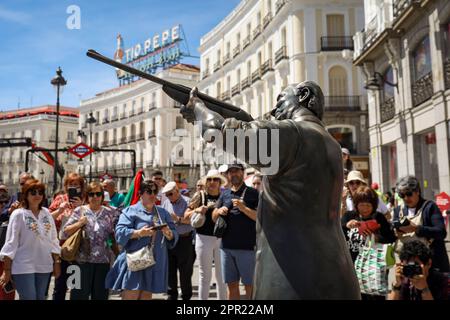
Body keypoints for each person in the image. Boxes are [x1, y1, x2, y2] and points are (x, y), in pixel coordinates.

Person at [181, 82, 360, 299]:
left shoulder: (294, 133)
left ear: (303, 95)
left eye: (280, 100)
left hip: (293, 275)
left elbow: (219, 132)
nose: (275, 111)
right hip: (335, 269)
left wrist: (197, 107)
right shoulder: (329, 142)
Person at [105, 180, 178, 300]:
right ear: (140, 193)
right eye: (149, 191)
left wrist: (169, 234)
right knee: (132, 294)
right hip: (135, 260)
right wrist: (139, 233)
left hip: (154, 260)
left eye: (155, 191)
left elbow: (174, 234)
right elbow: (119, 233)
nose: (153, 195)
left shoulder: (162, 212)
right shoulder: (131, 211)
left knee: (146, 296)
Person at [0, 179, 61, 300]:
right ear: (25, 195)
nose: (37, 195)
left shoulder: (47, 213)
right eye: (33, 192)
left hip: (44, 265)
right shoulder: (18, 214)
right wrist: (6, 270)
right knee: (29, 297)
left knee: (40, 297)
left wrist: (57, 262)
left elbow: (54, 239)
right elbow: (11, 243)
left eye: (40, 192)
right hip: (23, 265)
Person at [212, 163, 259, 300]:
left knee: (249, 285)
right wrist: (218, 211)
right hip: (226, 248)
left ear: (243, 173)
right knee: (231, 285)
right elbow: (214, 216)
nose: (234, 174)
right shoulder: (225, 193)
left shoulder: (253, 193)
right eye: (231, 172)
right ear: (227, 175)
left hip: (247, 248)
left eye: (236, 171)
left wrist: (244, 209)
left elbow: (259, 218)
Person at [64, 182, 117, 300]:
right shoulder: (79, 210)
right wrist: (80, 223)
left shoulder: (110, 212)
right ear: (87, 196)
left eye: (98, 194)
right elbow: (65, 232)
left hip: (103, 262)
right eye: (92, 194)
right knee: (78, 296)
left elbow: (115, 234)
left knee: (101, 296)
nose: (95, 197)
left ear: (102, 196)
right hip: (81, 261)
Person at [184, 169, 227, 300]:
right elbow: (186, 216)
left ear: (220, 182)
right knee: (205, 276)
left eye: (215, 179)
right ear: (205, 182)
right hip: (203, 238)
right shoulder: (200, 195)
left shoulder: (225, 196)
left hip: (222, 238)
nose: (212, 182)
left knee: (222, 277)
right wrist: (197, 209)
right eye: (209, 179)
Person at [393, 175, 449, 273]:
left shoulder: (430, 207)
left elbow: (441, 232)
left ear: (417, 191)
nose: (406, 198)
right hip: (408, 263)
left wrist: (417, 229)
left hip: (432, 263)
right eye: (402, 195)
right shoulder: (398, 210)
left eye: (409, 194)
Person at [48, 172, 85, 300]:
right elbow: (47, 220)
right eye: (71, 184)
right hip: (61, 246)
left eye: (77, 185)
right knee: (60, 283)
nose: (74, 187)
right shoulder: (59, 199)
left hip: (79, 247)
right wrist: (60, 211)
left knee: (76, 284)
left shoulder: (85, 200)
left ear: (81, 187)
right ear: (65, 186)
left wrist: (81, 207)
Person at [341, 186, 396, 263]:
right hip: (352, 263)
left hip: (374, 265)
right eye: (362, 205)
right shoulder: (348, 216)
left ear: (374, 205)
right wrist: (347, 225)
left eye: (368, 205)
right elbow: (338, 234)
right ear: (356, 205)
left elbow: (391, 237)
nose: (365, 209)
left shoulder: (379, 217)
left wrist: (377, 238)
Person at [161, 181, 194, 300]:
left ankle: (186, 296)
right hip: (170, 239)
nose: (169, 197)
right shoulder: (165, 203)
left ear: (177, 190)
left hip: (185, 239)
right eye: (167, 195)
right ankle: (171, 295)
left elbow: (192, 220)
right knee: (170, 270)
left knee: (185, 271)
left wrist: (177, 219)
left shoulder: (188, 202)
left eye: (170, 194)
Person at [0, 191, 14, 300]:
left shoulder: (9, 219)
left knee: (6, 293)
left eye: (4, 202)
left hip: (4, 261)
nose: (1, 205)